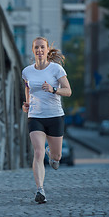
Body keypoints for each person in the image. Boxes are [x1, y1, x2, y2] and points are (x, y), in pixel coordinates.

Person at [22, 37, 71, 204]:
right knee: (38, 152)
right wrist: (27, 103)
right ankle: (40, 190)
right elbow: (28, 88)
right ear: (33, 50)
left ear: (47, 50)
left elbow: (68, 91)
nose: (39, 50)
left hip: (55, 116)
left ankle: (53, 154)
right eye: (36, 47)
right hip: (35, 116)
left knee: (57, 157)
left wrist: (53, 89)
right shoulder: (27, 71)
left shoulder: (56, 69)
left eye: (42, 47)